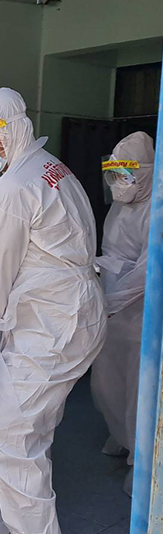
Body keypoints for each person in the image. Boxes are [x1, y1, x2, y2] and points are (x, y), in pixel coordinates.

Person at [0, 88, 107, 534]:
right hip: (73, 311)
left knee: (12, 434)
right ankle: (16, 518)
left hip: (51, 323)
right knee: (32, 427)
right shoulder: (52, 168)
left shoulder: (13, 187)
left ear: (14, 129)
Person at [91, 131, 155, 497]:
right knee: (106, 380)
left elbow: (146, 272)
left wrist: (110, 304)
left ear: (146, 172)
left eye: (126, 174)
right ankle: (120, 434)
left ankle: (140, 460)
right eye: (114, 174)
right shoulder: (119, 205)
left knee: (138, 388)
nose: (118, 182)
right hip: (111, 310)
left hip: (142, 316)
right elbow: (111, 253)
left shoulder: (156, 209)